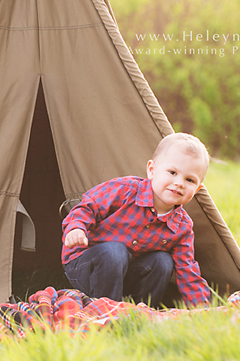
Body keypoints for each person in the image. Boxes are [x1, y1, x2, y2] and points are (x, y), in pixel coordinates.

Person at [61, 132, 212, 308]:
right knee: (115, 251)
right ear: (152, 170)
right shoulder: (126, 190)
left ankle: (141, 312)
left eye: (189, 180)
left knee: (163, 261)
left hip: (128, 272)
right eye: (172, 172)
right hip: (86, 265)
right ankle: (107, 311)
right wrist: (77, 228)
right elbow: (88, 206)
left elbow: (187, 270)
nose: (179, 183)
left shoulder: (182, 227)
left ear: (198, 188)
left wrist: (203, 307)